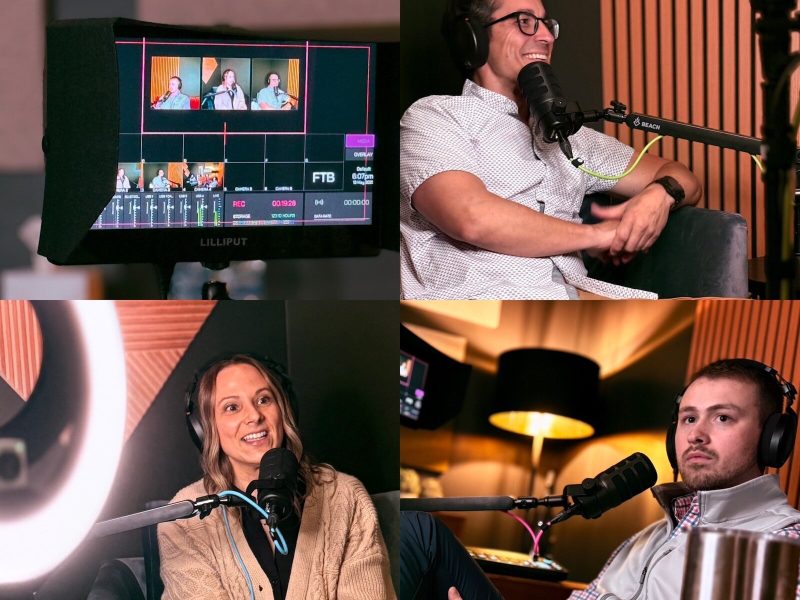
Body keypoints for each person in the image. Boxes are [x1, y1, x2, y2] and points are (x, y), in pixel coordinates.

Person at [402, 358, 800, 599]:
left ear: (772, 438)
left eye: (723, 417)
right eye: (689, 418)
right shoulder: (650, 537)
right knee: (418, 530)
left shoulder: (784, 546)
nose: (696, 433)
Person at [400, 0, 702, 300]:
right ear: (474, 37)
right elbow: (471, 217)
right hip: (479, 311)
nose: (545, 37)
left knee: (710, 322)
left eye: (547, 24)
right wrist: (599, 235)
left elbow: (683, 178)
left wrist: (659, 195)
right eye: (525, 21)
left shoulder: (572, 138)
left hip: (573, 301)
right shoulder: (434, 118)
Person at [158, 354, 394, 600]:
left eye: (263, 399)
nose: (254, 416)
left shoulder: (345, 496)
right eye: (232, 407)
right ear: (204, 428)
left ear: (283, 410)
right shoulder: (184, 517)